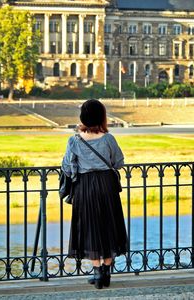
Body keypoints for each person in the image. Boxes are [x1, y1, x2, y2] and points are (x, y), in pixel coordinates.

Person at [61, 99, 128, 289]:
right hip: (107, 185)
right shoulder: (108, 138)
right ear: (101, 116)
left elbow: (67, 166)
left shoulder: (74, 140)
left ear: (83, 116)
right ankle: (106, 273)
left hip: (85, 186)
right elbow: (119, 162)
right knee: (109, 226)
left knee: (90, 227)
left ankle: (97, 273)